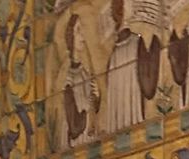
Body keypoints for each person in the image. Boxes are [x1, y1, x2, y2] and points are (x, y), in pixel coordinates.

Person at [103, 0, 162, 134]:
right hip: (133, 127)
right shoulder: (135, 44)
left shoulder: (113, 55)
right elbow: (148, 87)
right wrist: (154, 47)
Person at [60, 15, 100, 148]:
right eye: (78, 30)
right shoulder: (68, 79)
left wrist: (96, 97)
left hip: (88, 136)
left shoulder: (84, 73)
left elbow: (92, 107)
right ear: (71, 37)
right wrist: (86, 110)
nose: (82, 35)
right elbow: (74, 126)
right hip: (78, 140)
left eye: (82, 29)